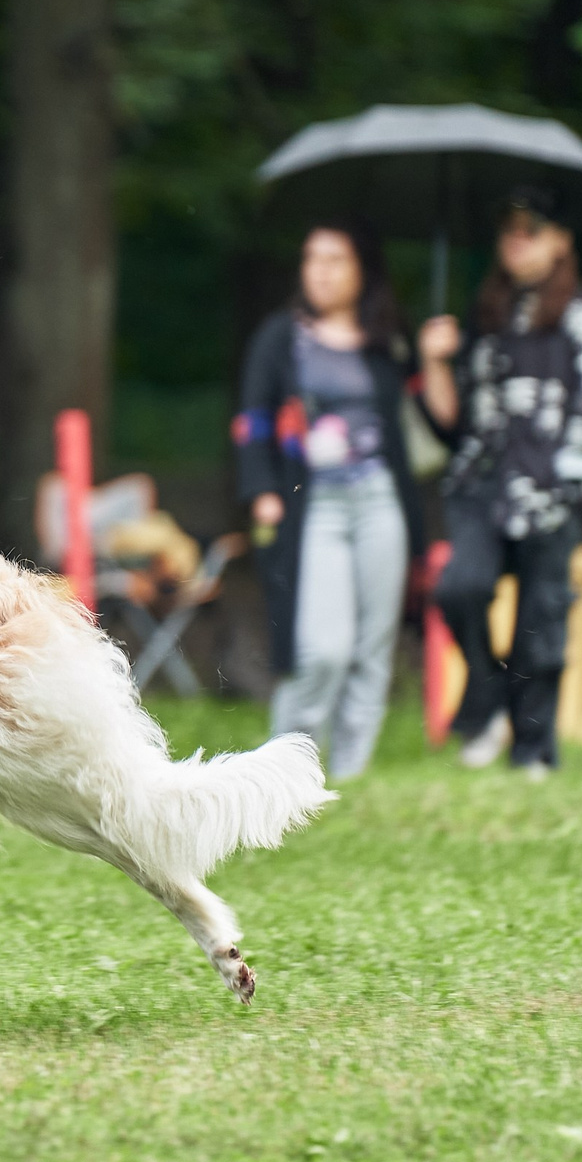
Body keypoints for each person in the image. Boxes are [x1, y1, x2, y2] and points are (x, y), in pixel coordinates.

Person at [418, 185, 582, 777]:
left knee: (541, 620)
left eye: (531, 229)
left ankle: (533, 748)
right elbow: (453, 424)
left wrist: (578, 480)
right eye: (509, 229)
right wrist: (434, 362)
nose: (516, 240)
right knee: (459, 588)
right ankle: (486, 697)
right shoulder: (486, 315)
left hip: (553, 491)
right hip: (482, 487)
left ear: (561, 241)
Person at [233, 223, 428, 781]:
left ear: (363, 270)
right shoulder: (281, 338)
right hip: (313, 503)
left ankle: (348, 773)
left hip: (381, 499)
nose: (320, 270)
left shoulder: (387, 341)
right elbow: (253, 421)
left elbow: (428, 421)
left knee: (373, 648)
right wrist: (263, 490)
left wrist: (436, 360)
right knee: (322, 648)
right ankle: (285, 769)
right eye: (311, 258)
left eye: (336, 259)